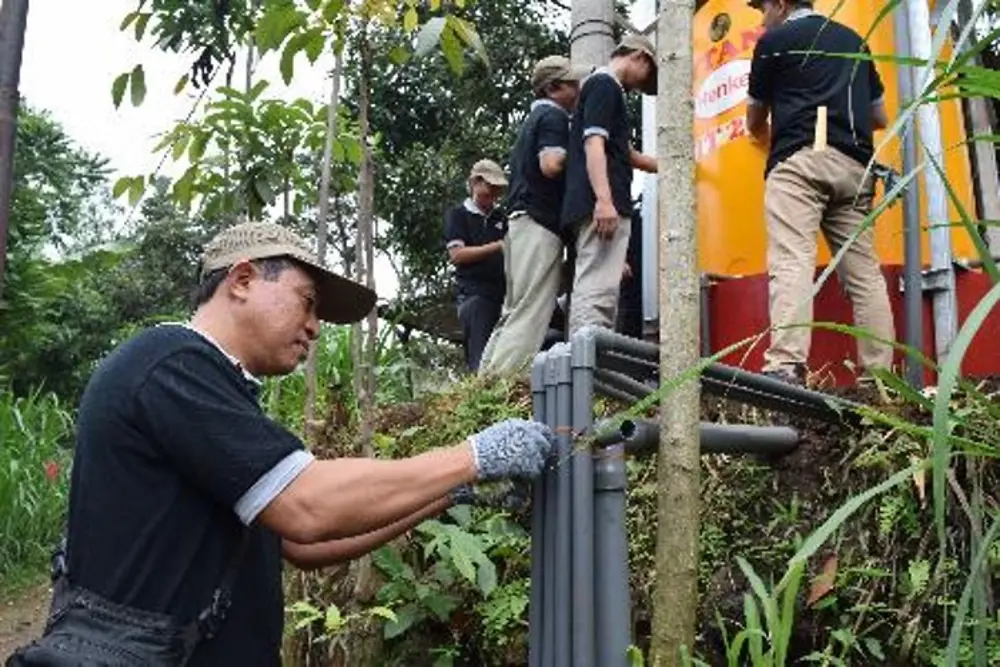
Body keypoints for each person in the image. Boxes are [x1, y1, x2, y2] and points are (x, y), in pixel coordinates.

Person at [7, 222, 552, 667]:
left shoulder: (215, 390)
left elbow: (301, 546)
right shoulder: (172, 363)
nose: (315, 327)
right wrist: (472, 456)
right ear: (242, 279)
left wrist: (449, 495)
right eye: (307, 302)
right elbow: (307, 506)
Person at [746, 0, 895, 385]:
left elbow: (754, 118)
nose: (762, 17)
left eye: (762, 7)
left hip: (800, 162)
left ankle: (786, 367)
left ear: (780, 4)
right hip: (855, 168)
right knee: (865, 276)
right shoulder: (854, 41)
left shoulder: (775, 41)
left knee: (792, 261)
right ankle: (879, 378)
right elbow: (880, 116)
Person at [478, 55, 590, 376]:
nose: (578, 89)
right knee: (532, 310)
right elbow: (551, 164)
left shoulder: (534, 121)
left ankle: (485, 382)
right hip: (538, 225)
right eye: (572, 84)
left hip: (521, 225)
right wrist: (586, 149)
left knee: (514, 309)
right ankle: (504, 387)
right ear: (553, 88)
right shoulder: (553, 117)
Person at [561, 34, 658, 337]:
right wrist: (604, 200)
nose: (641, 86)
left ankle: (587, 364)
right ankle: (587, 367)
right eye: (647, 77)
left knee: (599, 286)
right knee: (596, 291)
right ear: (639, 57)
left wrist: (671, 167)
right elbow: (594, 143)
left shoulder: (603, 89)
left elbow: (624, 153)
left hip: (596, 204)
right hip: (601, 204)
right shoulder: (605, 85)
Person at [443, 159, 510, 371]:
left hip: (504, 296)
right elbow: (457, 255)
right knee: (480, 360)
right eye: (489, 188)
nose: (493, 195)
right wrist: (498, 246)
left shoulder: (502, 218)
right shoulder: (458, 215)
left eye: (497, 190)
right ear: (475, 182)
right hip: (475, 296)